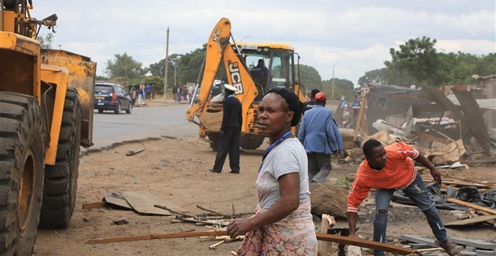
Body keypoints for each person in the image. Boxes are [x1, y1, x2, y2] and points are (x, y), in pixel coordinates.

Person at [227, 88, 318, 255]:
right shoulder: (285, 145)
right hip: (283, 239)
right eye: (261, 109)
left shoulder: (285, 152)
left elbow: (290, 201)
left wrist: (251, 222)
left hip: (288, 242)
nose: (262, 115)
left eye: (271, 111)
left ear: (289, 116)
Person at [347, 139, 461, 256]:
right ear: (368, 158)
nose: (384, 157)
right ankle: (379, 252)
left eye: (384, 153)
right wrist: (352, 234)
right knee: (381, 213)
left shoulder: (395, 151)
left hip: (409, 178)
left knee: (429, 207)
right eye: (379, 156)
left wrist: (432, 168)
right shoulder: (363, 176)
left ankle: (445, 242)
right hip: (384, 186)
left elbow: (414, 153)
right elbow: (352, 204)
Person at [298, 92, 343, 183]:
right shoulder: (327, 112)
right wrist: (334, 147)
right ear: (324, 101)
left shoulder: (307, 113)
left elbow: (301, 132)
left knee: (311, 170)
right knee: (326, 167)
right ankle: (316, 181)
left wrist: (299, 146)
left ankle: (311, 190)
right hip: (321, 145)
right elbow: (329, 131)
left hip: (308, 145)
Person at [208, 84, 242, 174]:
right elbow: (240, 117)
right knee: (235, 148)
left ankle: (217, 168)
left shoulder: (226, 101)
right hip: (236, 127)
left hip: (228, 127)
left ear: (226, 92)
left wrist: (222, 129)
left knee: (223, 148)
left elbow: (225, 116)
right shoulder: (238, 102)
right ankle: (235, 169)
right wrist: (239, 129)